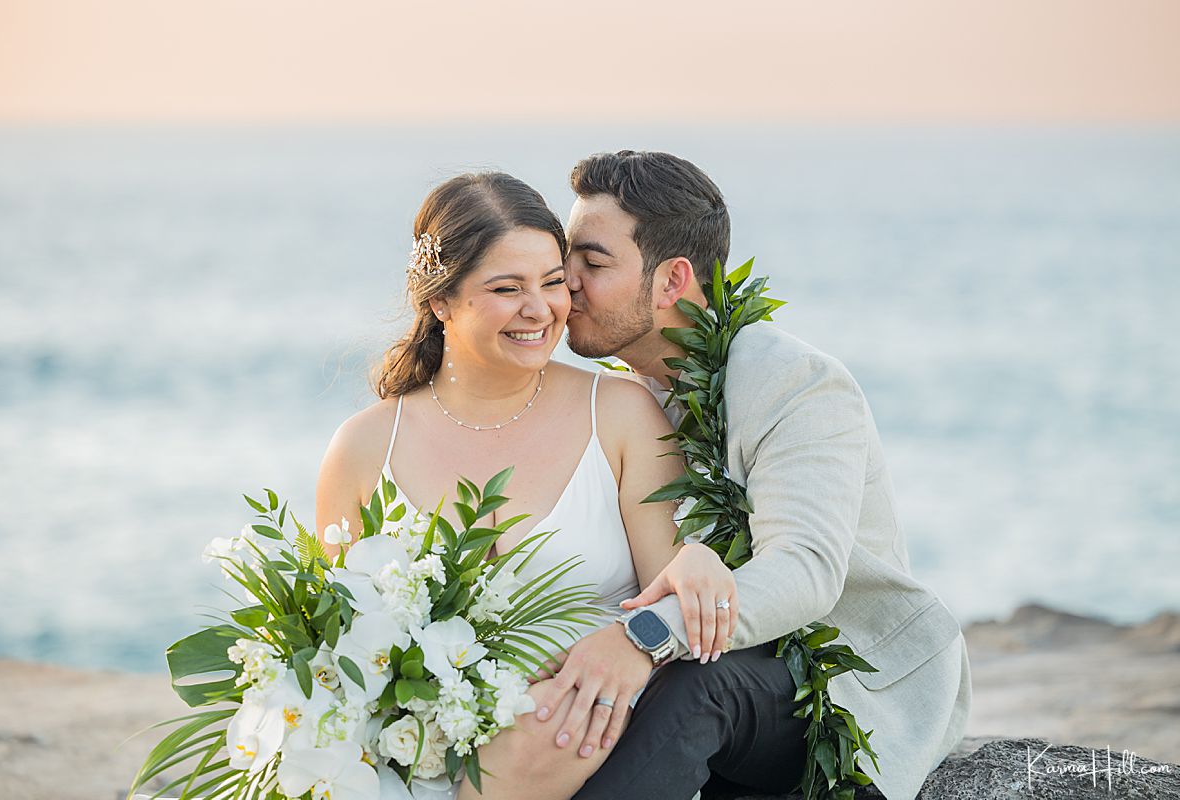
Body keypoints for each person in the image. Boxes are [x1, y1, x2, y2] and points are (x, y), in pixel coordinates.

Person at [543, 150, 972, 800]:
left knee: (699, 688)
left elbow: (805, 570)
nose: (565, 282)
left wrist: (643, 637)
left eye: (593, 263)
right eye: (567, 260)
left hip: (837, 686)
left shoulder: (792, 382)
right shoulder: (620, 402)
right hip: (719, 672)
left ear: (672, 280)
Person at [314, 172, 738, 799]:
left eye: (552, 283)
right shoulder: (362, 447)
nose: (539, 310)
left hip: (584, 744)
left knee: (543, 729)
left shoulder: (620, 416)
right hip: (419, 755)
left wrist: (698, 561)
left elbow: (671, 603)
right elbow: (341, 647)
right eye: (506, 289)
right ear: (440, 302)